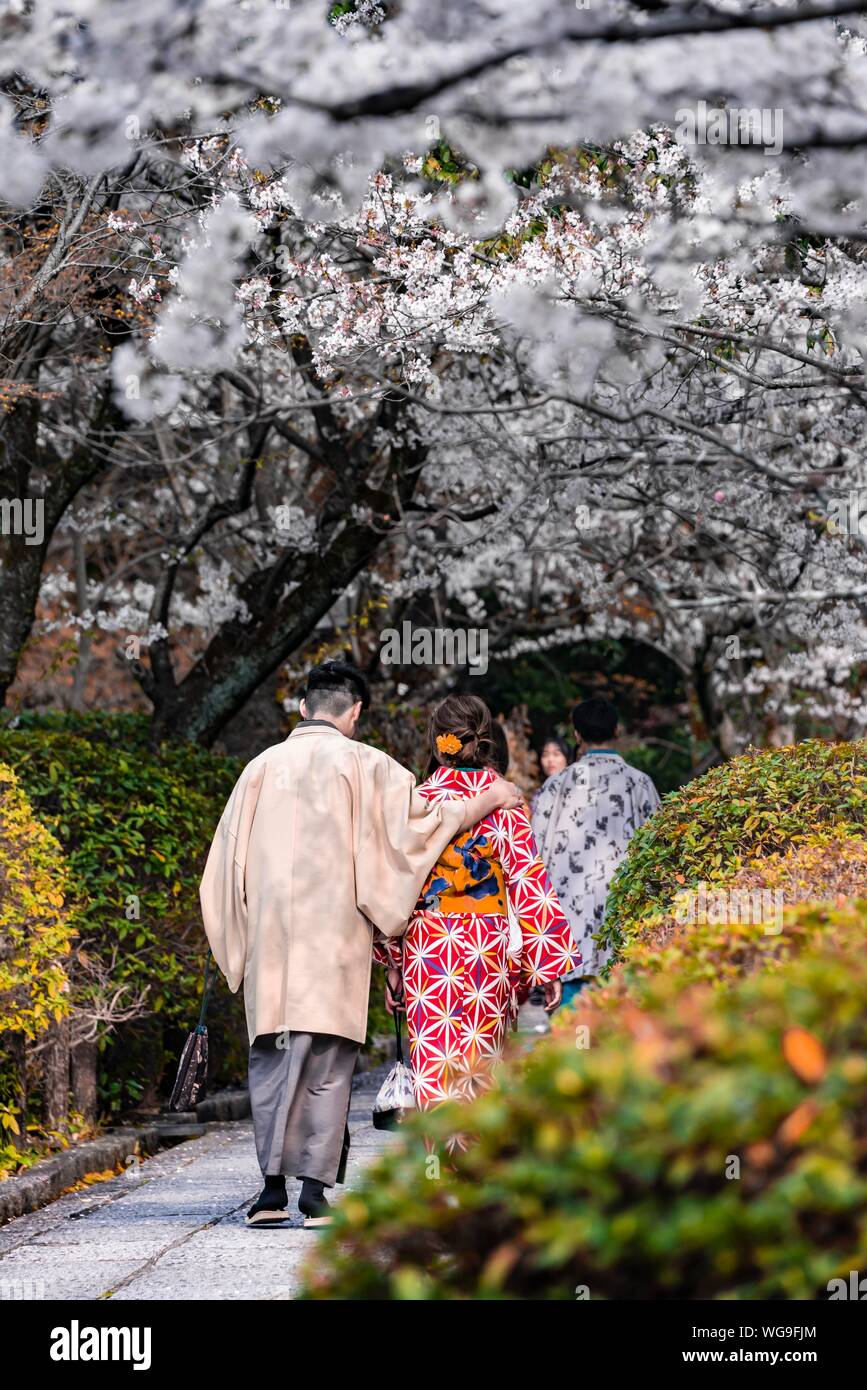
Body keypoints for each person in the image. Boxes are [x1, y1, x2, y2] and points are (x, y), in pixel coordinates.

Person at [199, 660, 523, 1228]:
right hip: (337, 939)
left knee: (272, 1060)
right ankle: (314, 1196)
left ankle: (270, 1193)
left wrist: (235, 946)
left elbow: (224, 865)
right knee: (327, 1065)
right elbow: (423, 828)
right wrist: (490, 797)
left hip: (271, 939)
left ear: (303, 708)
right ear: (354, 713)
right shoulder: (368, 764)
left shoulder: (259, 768)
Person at [375, 694, 576, 1140]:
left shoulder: (416, 801)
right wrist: (549, 965)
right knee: (483, 1063)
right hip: (487, 949)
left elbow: (395, 884)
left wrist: (392, 964)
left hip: (429, 946)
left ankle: (439, 1172)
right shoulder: (505, 800)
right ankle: (480, 1169)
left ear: (436, 740)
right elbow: (528, 880)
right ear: (486, 740)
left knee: (435, 1064)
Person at [531, 696, 660, 1006]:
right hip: (625, 933)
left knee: (571, 1040)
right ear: (616, 731)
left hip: (567, 938)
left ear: (576, 735)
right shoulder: (639, 784)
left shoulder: (556, 786)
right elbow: (659, 855)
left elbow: (533, 856)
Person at [529, 735, 573, 817]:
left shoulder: (574, 789)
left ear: (567, 758)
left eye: (556, 754)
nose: (550, 760)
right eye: (545, 755)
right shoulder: (538, 793)